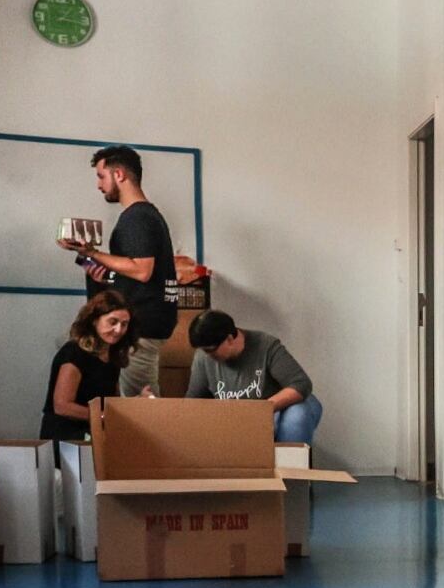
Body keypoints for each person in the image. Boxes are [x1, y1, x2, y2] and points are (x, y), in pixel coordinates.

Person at [55, 144, 177, 396]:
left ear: (119, 174)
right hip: (138, 325)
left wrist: (93, 253)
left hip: (141, 327)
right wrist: (85, 258)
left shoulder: (138, 217)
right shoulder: (138, 217)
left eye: (101, 176)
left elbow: (142, 270)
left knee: (139, 408)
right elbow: (123, 273)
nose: (99, 185)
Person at [185, 310, 323, 443]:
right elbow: (193, 402)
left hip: (275, 411)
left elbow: (301, 383)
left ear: (229, 339)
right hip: (237, 418)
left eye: (211, 350)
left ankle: (291, 465)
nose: (208, 355)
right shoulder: (204, 358)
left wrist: (263, 409)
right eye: (203, 350)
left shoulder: (265, 346)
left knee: (297, 415)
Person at [40, 290, 133, 441]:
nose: (118, 330)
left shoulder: (113, 355)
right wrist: (102, 416)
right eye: (112, 322)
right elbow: (62, 405)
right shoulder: (74, 352)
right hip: (66, 435)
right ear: (95, 320)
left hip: (93, 431)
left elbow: (110, 401)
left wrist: (136, 402)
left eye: (124, 324)